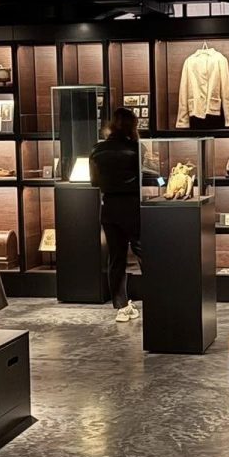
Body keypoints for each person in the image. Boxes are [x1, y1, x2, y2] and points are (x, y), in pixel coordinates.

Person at [90, 107, 153, 323]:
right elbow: (148, 176)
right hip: (132, 206)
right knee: (144, 253)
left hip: (109, 208)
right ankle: (156, 298)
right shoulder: (136, 149)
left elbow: (95, 182)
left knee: (116, 257)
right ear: (133, 125)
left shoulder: (97, 150)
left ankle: (121, 306)